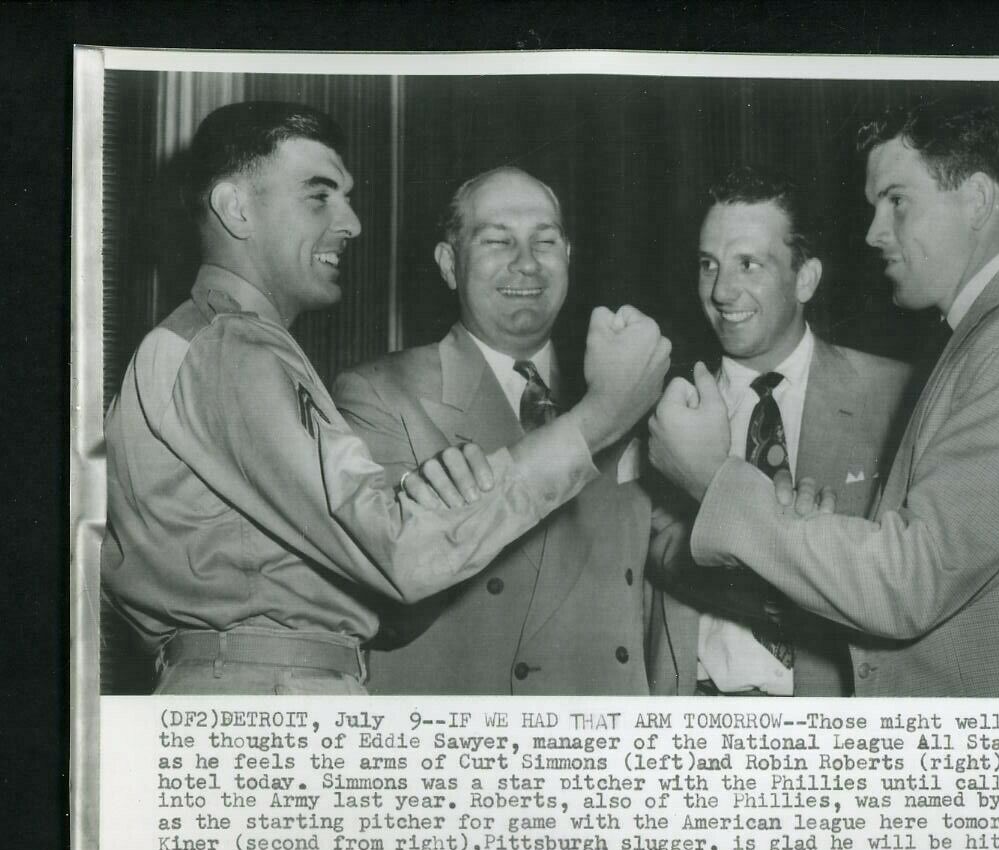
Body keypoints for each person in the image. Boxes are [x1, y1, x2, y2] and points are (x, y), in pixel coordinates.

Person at [102, 103, 670, 695]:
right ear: (236, 208)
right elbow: (399, 553)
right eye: (319, 196)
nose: (352, 223)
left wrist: (436, 513)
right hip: (269, 693)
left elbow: (374, 584)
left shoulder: (221, 341)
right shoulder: (232, 346)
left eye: (346, 197)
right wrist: (601, 418)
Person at [649, 102, 999, 698]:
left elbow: (909, 581)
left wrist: (714, 480)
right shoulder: (983, 338)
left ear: (977, 200)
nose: (874, 233)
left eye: (897, 201)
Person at [334, 166, 658, 694]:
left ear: (569, 257)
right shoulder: (377, 394)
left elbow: (668, 560)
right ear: (448, 265)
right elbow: (376, 605)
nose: (526, 262)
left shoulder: (617, 386)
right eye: (497, 240)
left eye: (545, 240)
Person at [645, 168, 913, 697]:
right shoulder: (661, 408)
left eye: (748, 264)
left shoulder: (898, 397)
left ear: (805, 278)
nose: (721, 291)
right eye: (708, 265)